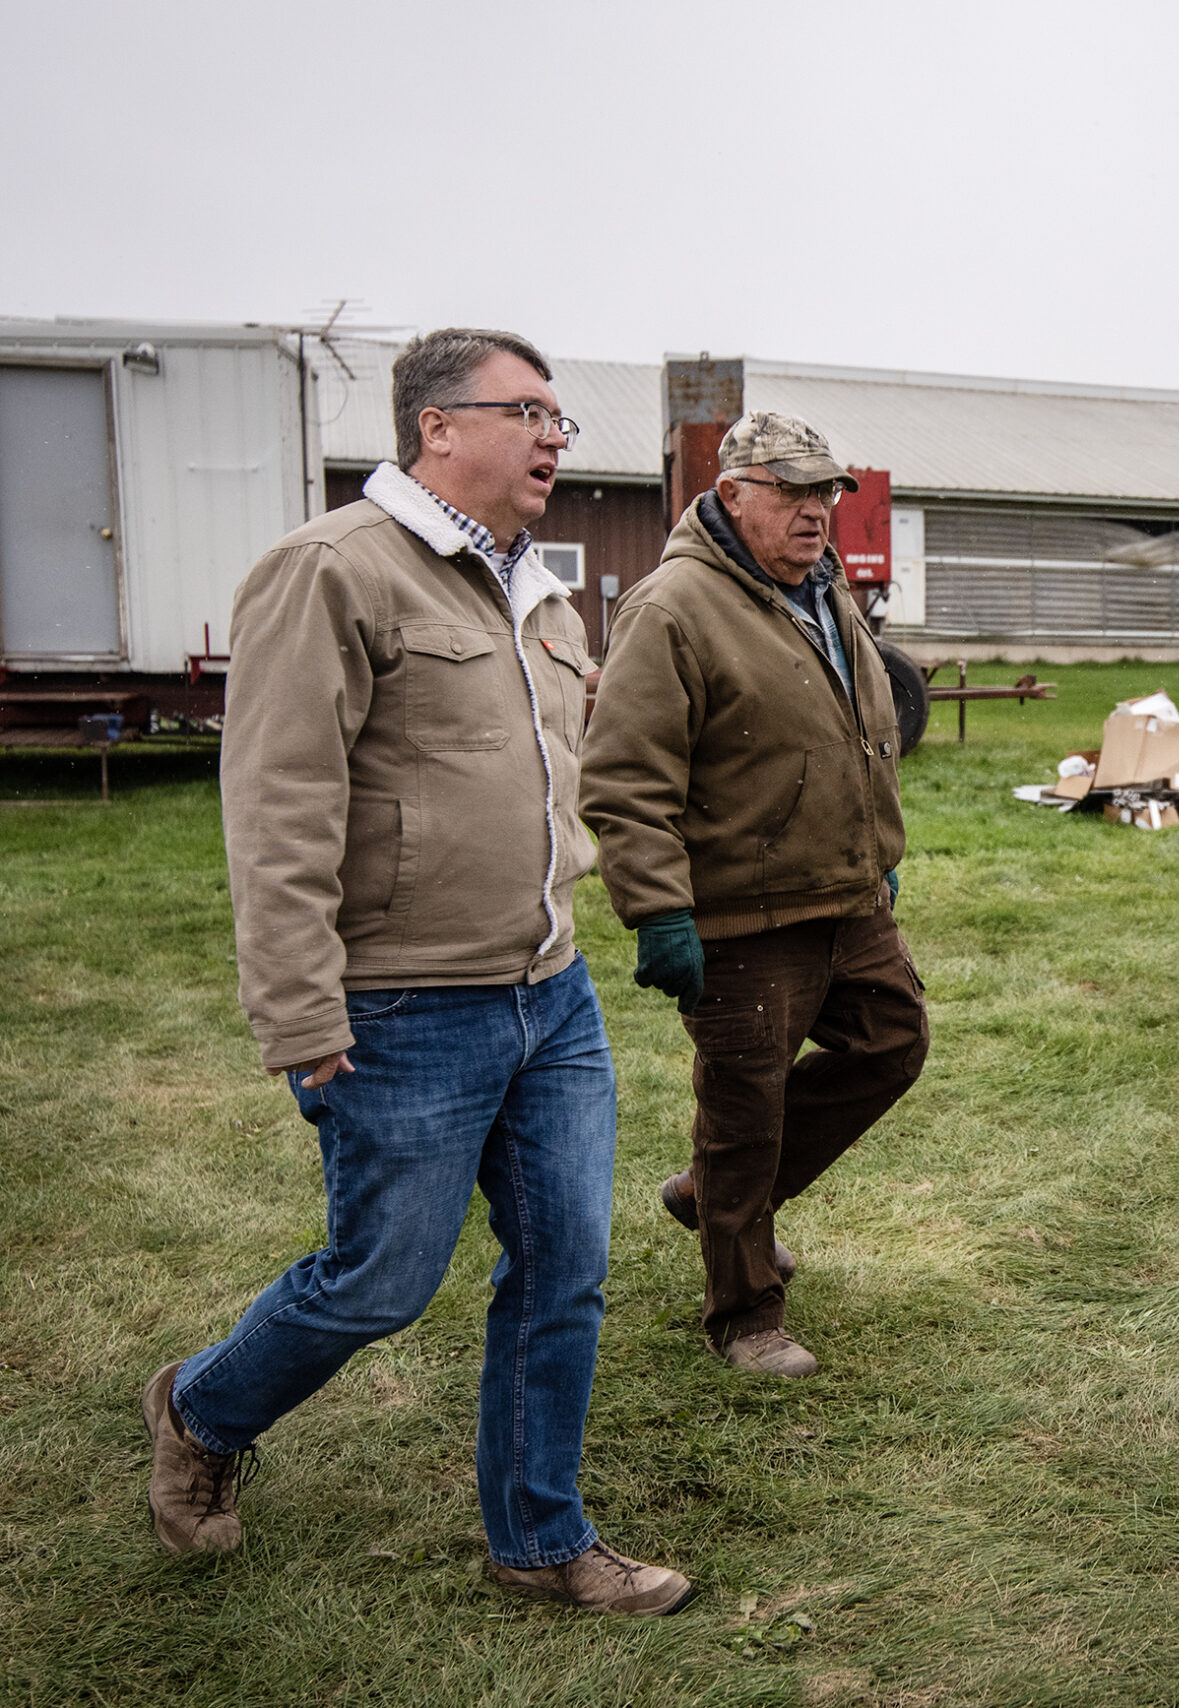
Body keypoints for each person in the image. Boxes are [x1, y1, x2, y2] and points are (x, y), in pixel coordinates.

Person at [142, 328, 693, 1616]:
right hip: (401, 1007)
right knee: (382, 1280)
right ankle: (202, 1410)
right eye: (531, 411)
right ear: (437, 425)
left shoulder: (538, 594)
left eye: (561, 417)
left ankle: (541, 1539)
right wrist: (299, 1004)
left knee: (566, 1265)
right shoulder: (331, 570)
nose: (558, 435)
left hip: (548, 996)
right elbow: (278, 803)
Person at [581, 411, 927, 1380]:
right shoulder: (674, 607)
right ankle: (745, 1313)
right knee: (747, 1109)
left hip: (846, 896)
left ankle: (720, 1196)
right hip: (739, 914)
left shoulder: (822, 592)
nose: (816, 511)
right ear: (733, 494)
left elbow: (866, 732)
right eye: (793, 491)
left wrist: (877, 850)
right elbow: (626, 777)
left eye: (826, 493)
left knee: (893, 1041)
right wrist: (659, 912)